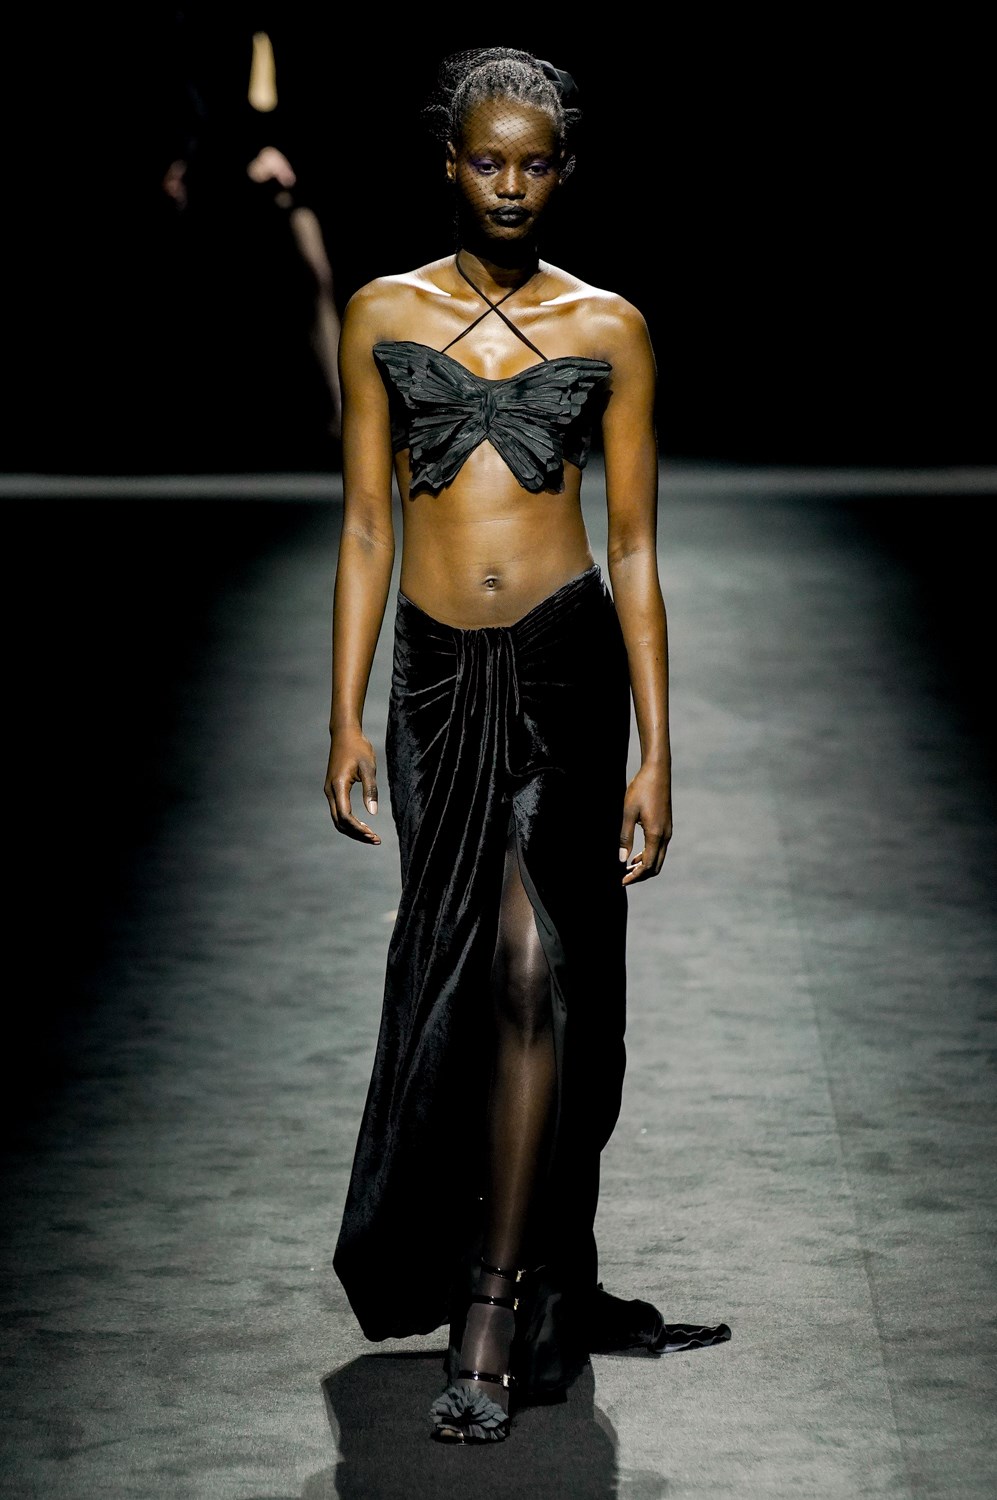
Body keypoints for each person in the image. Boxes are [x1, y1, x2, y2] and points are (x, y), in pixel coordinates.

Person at [325, 46, 729, 1446]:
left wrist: (658, 750)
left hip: (565, 665)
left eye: (534, 163)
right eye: (487, 161)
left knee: (530, 967)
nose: (510, 185)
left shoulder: (610, 326)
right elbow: (366, 524)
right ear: (450, 165)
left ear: (564, 173)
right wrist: (342, 713)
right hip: (435, 680)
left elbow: (636, 546)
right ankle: (479, 1253)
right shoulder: (382, 311)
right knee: (452, 972)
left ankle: (492, 1304)